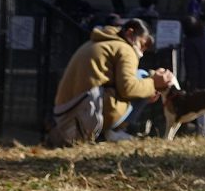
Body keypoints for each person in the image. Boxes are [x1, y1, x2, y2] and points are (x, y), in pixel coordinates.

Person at [48, 18, 174, 146]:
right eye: (141, 45)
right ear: (130, 34)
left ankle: (110, 131)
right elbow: (128, 88)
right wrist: (154, 83)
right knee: (142, 75)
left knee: (142, 80)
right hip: (83, 117)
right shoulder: (125, 49)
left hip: (67, 114)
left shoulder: (99, 42)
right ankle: (115, 131)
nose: (141, 53)